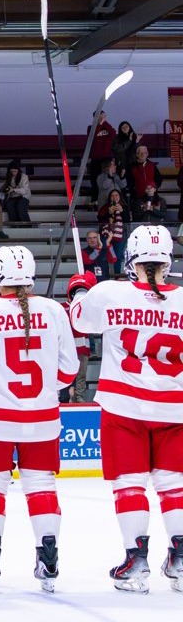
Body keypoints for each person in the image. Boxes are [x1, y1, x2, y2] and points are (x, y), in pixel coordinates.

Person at [0, 246, 78, 593]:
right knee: (42, 486)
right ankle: (48, 560)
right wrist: (41, 393)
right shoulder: (54, 310)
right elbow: (69, 371)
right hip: (42, 417)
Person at [68, 225, 183, 594]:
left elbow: (79, 320)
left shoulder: (111, 293)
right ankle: (181, 559)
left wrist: (81, 286)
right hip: (175, 407)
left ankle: (136, 561)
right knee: (174, 486)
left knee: (129, 485)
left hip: (125, 406)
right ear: (167, 259)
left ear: (132, 258)